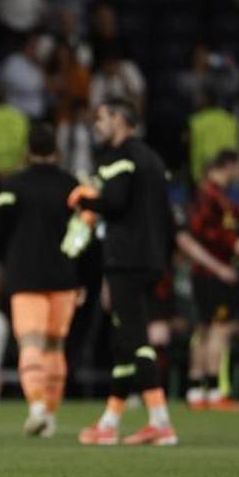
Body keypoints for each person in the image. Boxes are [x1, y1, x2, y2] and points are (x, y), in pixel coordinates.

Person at [68, 97, 177, 446]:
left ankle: (160, 422)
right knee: (124, 342)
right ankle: (110, 422)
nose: (97, 125)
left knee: (135, 339)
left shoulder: (119, 157)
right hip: (151, 261)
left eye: (101, 118)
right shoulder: (153, 159)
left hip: (126, 260)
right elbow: (168, 220)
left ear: (118, 119)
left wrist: (82, 199)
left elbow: (114, 202)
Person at [0, 123, 83, 438]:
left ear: (28, 151)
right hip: (65, 277)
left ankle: (37, 407)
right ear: (58, 151)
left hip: (25, 276)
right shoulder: (72, 186)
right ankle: (50, 415)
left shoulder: (13, 186)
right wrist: (83, 276)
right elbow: (85, 233)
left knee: (31, 342)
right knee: (55, 346)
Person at [187, 150, 239, 410]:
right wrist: (236, 246)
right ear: (229, 165)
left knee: (205, 329)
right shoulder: (211, 197)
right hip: (213, 274)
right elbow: (206, 234)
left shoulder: (214, 196)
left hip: (205, 273)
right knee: (219, 329)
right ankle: (215, 390)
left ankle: (197, 389)